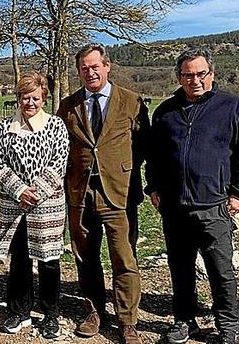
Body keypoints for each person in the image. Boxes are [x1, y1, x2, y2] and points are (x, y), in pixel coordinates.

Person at [144, 47, 239, 344]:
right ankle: (184, 321)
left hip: (214, 205)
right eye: (187, 75)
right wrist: (153, 187)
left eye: (200, 74)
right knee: (180, 268)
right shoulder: (166, 112)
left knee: (221, 269)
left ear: (212, 74)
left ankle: (229, 326)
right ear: (179, 77)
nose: (195, 80)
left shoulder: (231, 107)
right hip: (174, 206)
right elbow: (154, 156)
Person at [56, 45, 150, 344]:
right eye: (84, 68)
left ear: (107, 67)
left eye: (95, 66)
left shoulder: (131, 101)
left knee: (124, 257)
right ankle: (94, 311)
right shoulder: (68, 105)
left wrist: (127, 172)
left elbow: (145, 146)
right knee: (85, 256)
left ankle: (127, 321)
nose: (90, 72)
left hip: (118, 192)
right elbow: (60, 147)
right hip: (80, 192)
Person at [0, 72, 69, 339]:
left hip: (47, 205)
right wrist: (20, 190)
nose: (30, 103)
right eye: (25, 97)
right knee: (20, 260)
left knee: (48, 260)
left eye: (35, 98)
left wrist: (36, 193)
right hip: (15, 205)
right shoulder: (5, 127)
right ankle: (19, 312)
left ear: (43, 98)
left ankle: (50, 314)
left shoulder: (56, 126)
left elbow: (59, 163)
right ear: (18, 98)